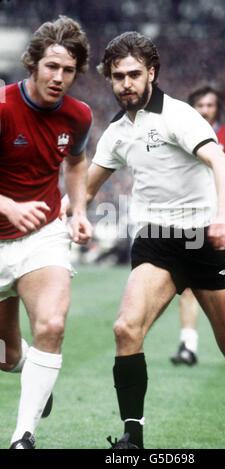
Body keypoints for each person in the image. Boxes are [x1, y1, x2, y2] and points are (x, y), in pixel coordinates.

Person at [62, 31, 225, 449]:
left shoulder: (180, 116)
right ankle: (133, 437)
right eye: (117, 76)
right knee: (126, 328)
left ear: (152, 74)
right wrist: (66, 215)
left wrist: (221, 217)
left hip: (204, 241)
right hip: (156, 242)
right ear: (109, 79)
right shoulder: (116, 131)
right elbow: (84, 190)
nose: (125, 83)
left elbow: (219, 162)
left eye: (133, 75)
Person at [0, 16, 93, 449]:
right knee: (8, 357)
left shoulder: (79, 115)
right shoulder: (2, 108)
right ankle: (35, 374)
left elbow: (75, 162)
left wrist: (78, 209)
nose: (59, 78)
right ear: (33, 64)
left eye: (68, 70)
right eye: (51, 66)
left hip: (42, 237)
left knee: (52, 325)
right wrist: (7, 206)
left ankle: (23, 437)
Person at [170, 84, 225, 366]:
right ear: (192, 108)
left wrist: (218, 162)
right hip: (192, 215)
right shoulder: (182, 134)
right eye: (199, 105)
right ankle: (188, 345)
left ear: (217, 107)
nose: (205, 110)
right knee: (185, 281)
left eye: (209, 105)